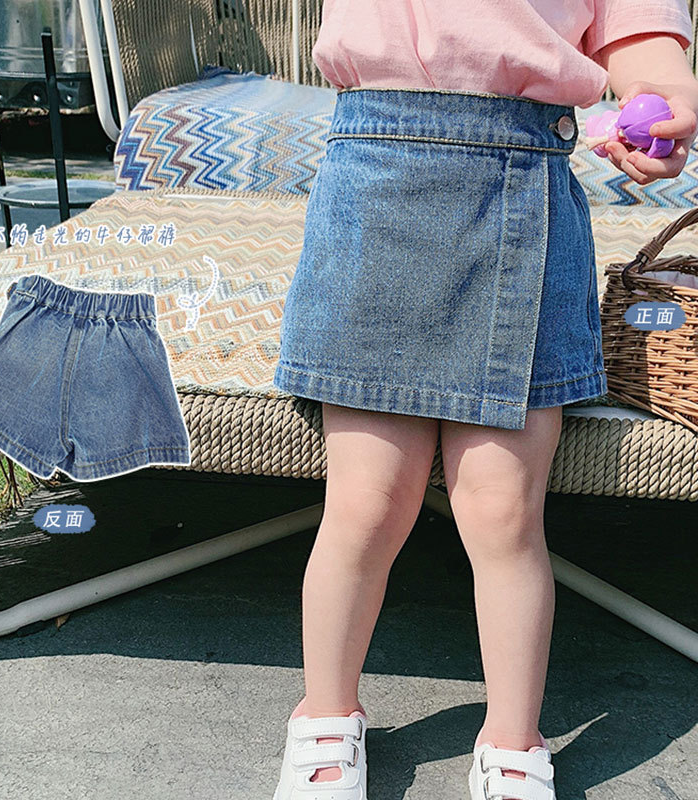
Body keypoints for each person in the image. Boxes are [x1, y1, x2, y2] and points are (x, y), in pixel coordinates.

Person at [270, 2, 698, 799]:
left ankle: (512, 737)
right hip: (375, 177)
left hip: (524, 187)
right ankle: (324, 713)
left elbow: (639, 30)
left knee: (503, 511)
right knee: (366, 502)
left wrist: (665, 94)